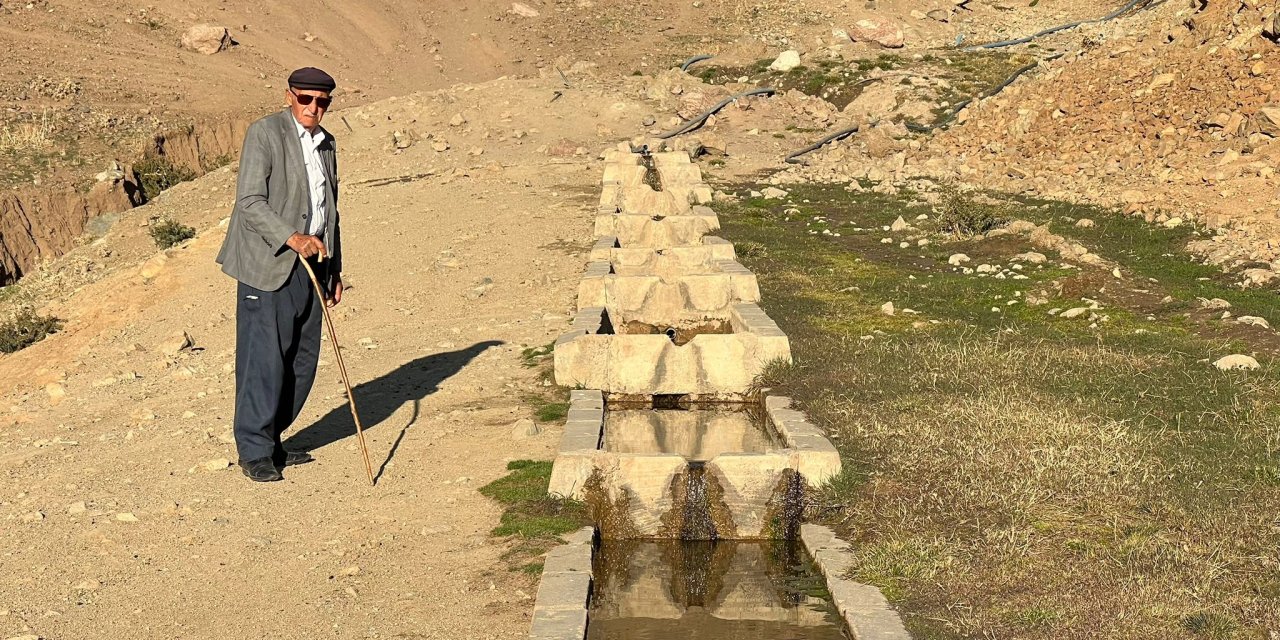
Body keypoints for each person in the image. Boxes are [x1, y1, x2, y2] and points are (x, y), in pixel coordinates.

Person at [216, 67, 344, 482]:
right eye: (306, 99)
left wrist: (335, 268)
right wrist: (291, 237)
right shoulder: (265, 133)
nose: (313, 108)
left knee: (301, 360)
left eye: (322, 101)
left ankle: (273, 440)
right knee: (263, 360)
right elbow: (250, 201)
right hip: (267, 263)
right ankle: (253, 449)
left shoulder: (327, 144)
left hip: (311, 267)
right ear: (289, 96)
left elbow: (330, 212)